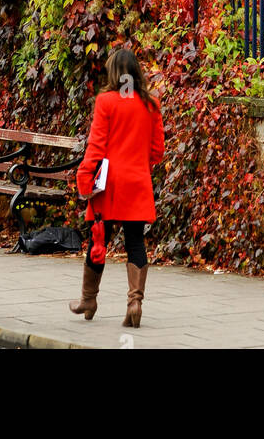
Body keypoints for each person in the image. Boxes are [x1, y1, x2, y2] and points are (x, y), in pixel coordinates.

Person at [69, 47, 164, 328]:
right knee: (136, 242)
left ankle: (89, 299)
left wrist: (85, 178)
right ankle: (135, 303)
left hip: (109, 185)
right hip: (137, 183)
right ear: (136, 73)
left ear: (113, 73)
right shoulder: (151, 104)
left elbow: (96, 146)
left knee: (99, 241)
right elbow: (157, 151)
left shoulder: (106, 101)